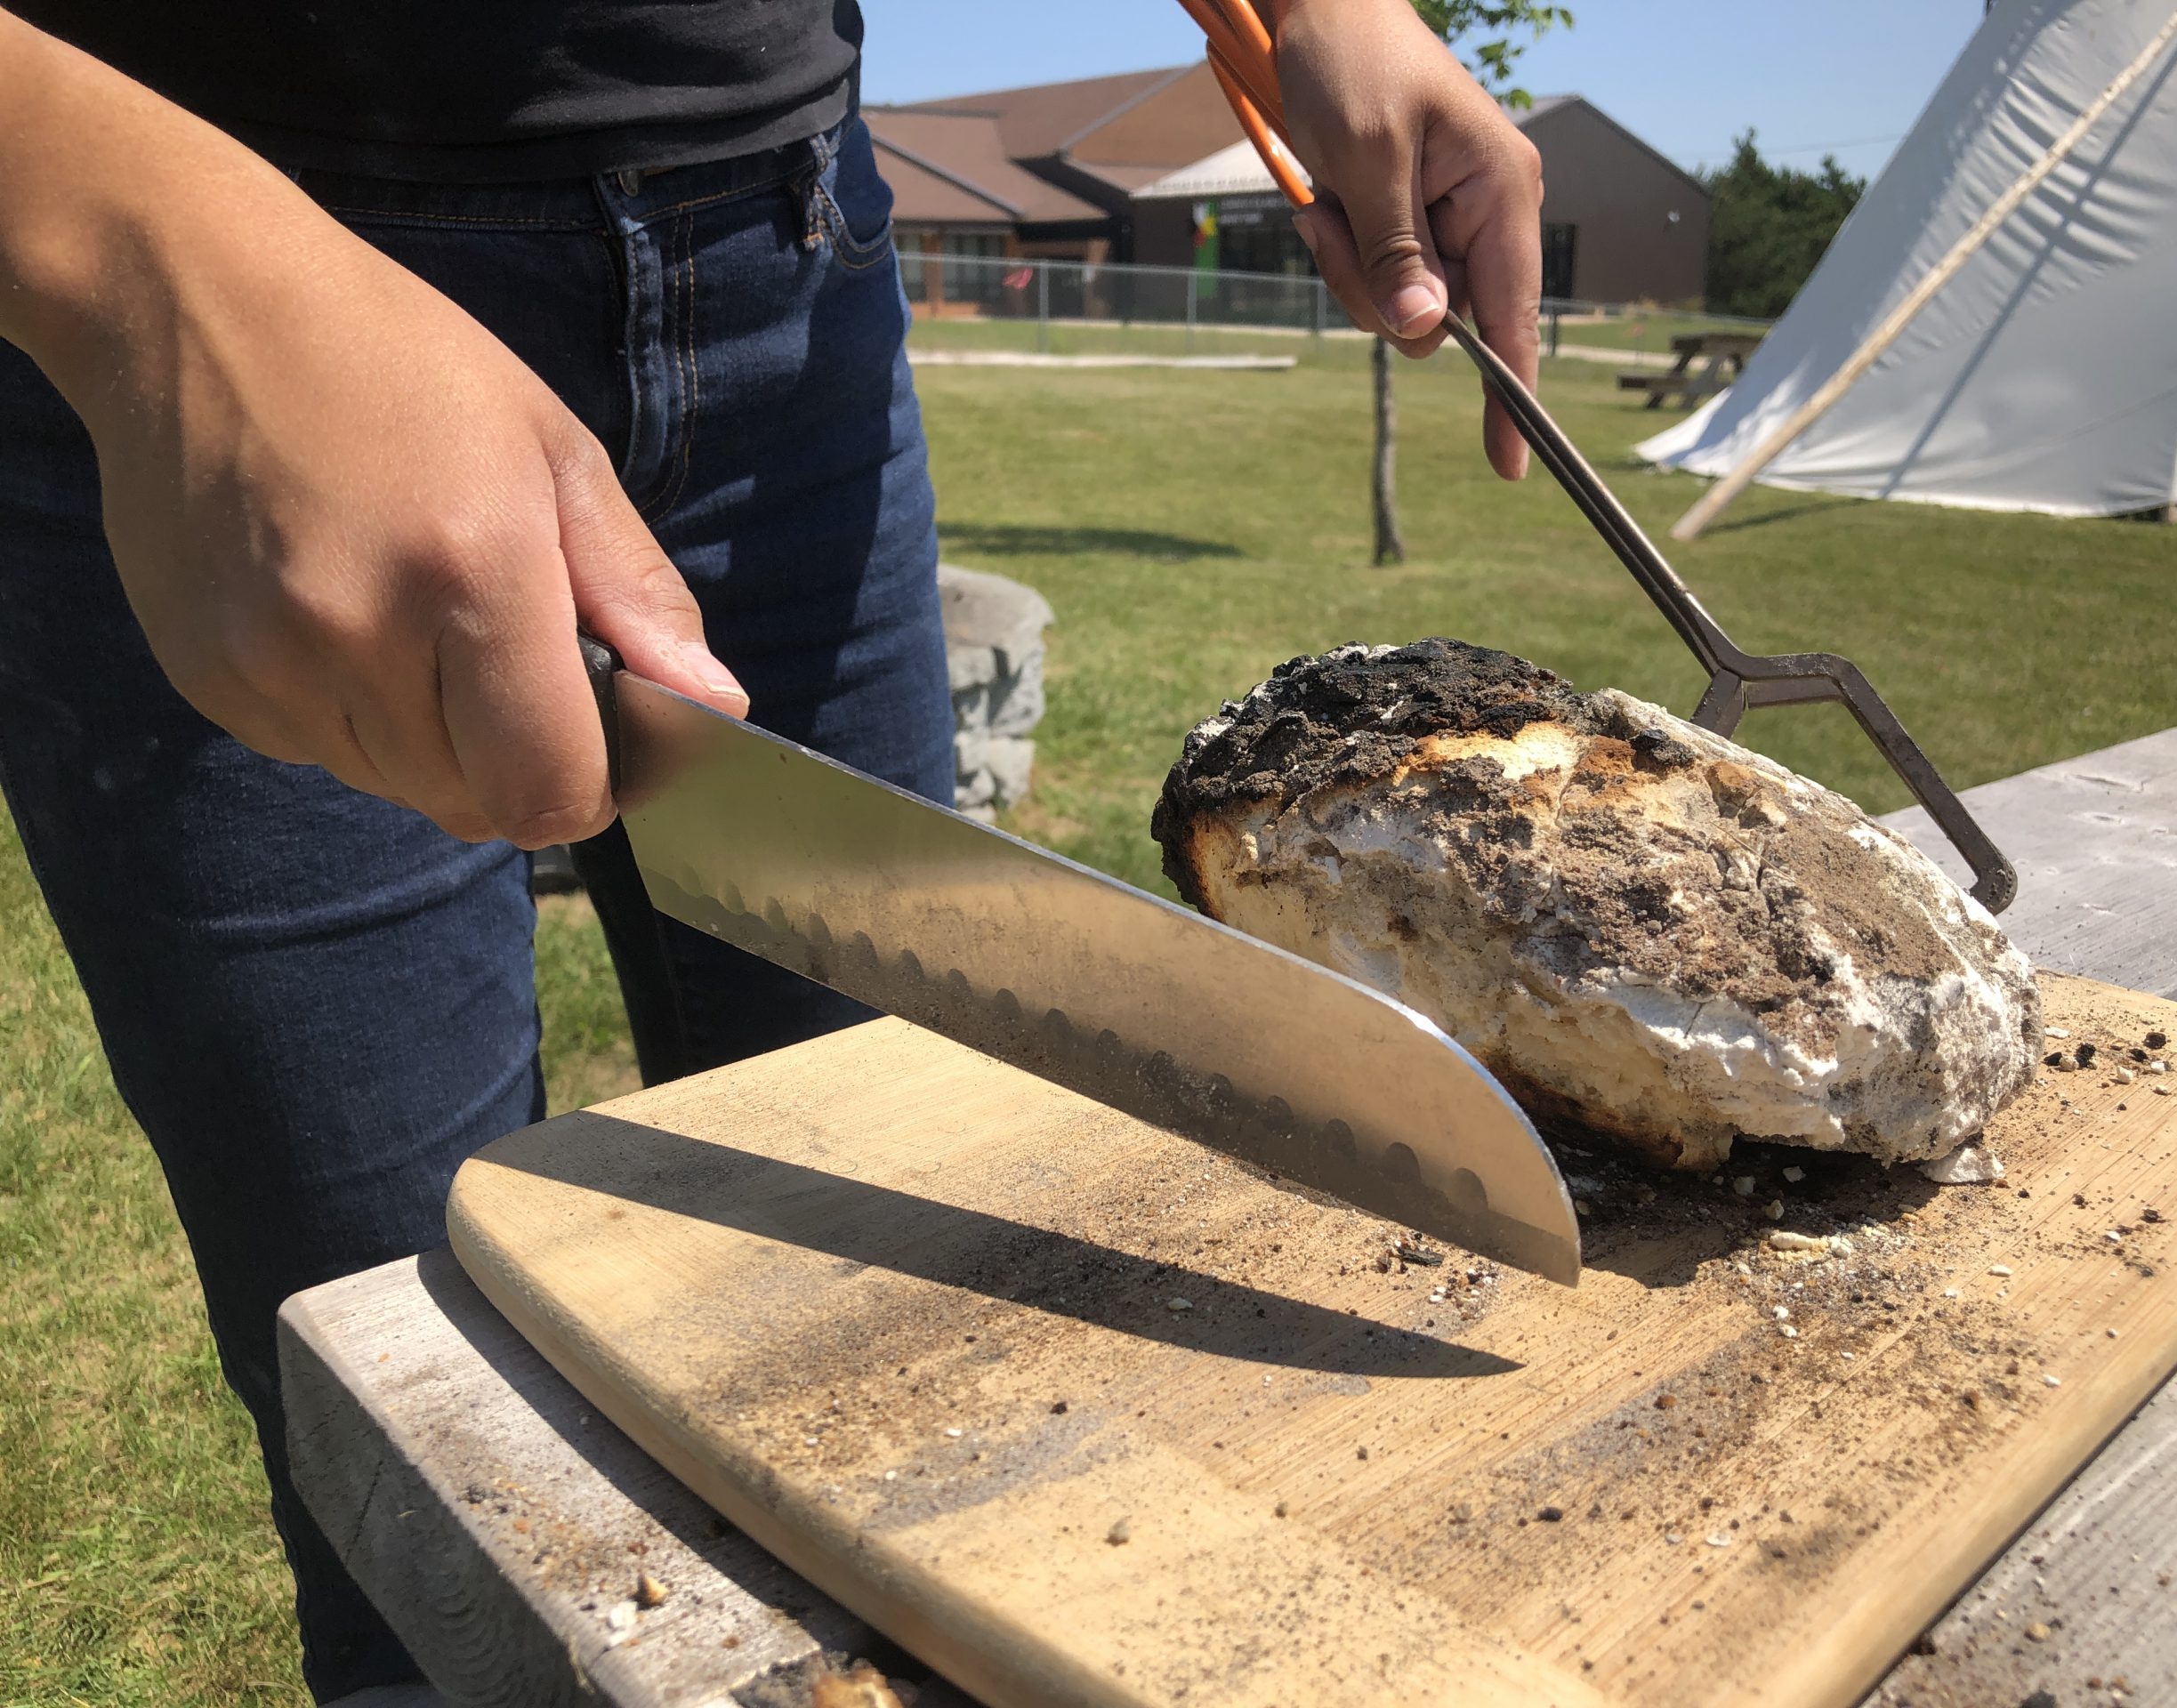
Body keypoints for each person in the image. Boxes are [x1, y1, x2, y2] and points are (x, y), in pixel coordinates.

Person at [0, 1, 1544, 1698]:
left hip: (793, 272)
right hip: (218, 312)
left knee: (936, 1371)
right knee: (431, 1489)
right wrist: (150, 266)